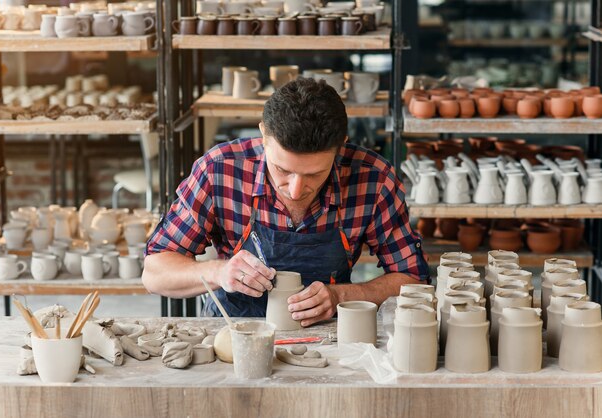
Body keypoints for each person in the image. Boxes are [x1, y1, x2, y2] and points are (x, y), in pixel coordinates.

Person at [143, 77, 429, 327]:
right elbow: (154, 273)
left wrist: (340, 296)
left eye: (315, 174)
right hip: (235, 330)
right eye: (282, 170)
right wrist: (218, 271)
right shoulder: (220, 170)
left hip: (329, 333)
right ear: (264, 136)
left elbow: (414, 279)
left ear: (340, 146)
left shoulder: (373, 178)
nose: (295, 190)